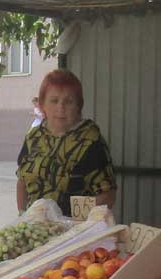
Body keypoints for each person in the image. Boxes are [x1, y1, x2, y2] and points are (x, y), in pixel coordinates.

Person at [16, 70, 116, 216]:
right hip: (34, 228)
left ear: (78, 106)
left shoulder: (91, 141)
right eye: (54, 100)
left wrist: (70, 224)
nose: (60, 108)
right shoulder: (34, 137)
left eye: (68, 101)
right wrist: (23, 216)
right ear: (43, 104)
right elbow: (21, 182)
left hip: (76, 232)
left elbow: (108, 195)